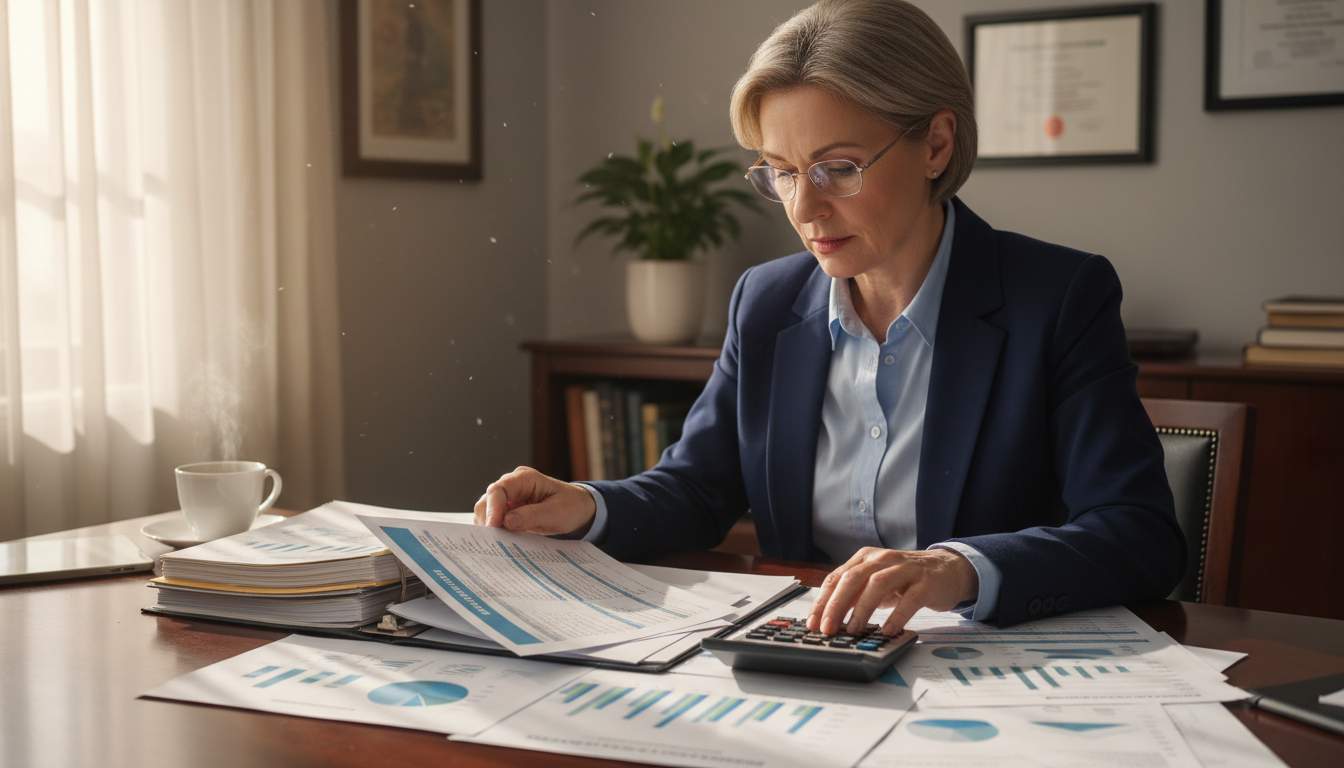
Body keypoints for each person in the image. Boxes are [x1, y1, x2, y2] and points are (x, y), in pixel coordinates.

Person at [475, 0, 1183, 636]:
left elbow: (1140, 534)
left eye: (837, 168)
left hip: (977, 676)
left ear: (936, 145)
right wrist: (586, 507)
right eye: (780, 171)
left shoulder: (1058, 297)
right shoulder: (767, 300)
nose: (803, 210)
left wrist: (958, 569)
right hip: (804, 659)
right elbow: (697, 487)